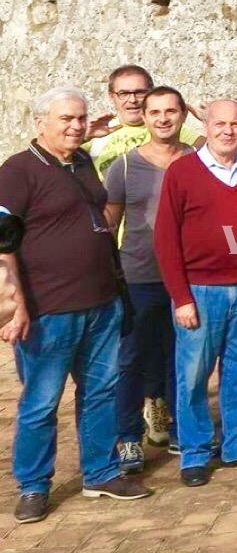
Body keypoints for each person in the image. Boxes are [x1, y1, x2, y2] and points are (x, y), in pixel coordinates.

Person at [0, 88, 152, 524]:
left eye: (81, 118)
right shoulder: (17, 170)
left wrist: (84, 139)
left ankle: (100, 473)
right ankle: (33, 486)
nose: (76, 125)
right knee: (41, 402)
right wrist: (14, 305)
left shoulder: (81, 161)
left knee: (100, 393)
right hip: (49, 311)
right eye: (66, 118)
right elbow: (2, 243)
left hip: (102, 304)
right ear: (39, 123)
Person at [154, 100, 237, 487]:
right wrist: (181, 297)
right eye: (220, 124)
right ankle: (194, 453)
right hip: (200, 292)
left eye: (236, 124)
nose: (228, 131)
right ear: (206, 127)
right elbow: (166, 239)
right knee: (193, 376)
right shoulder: (182, 172)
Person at [104, 86, 194, 472]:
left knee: (183, 358)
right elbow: (109, 226)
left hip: (187, 278)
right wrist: (109, 276)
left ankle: (180, 429)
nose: (163, 119)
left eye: (170, 111)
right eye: (154, 112)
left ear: (182, 115)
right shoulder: (124, 167)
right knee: (130, 359)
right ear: (143, 117)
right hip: (139, 277)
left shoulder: (197, 161)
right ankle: (128, 437)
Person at [84, 64, 201, 177]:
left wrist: (206, 119)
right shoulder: (96, 132)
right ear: (111, 97)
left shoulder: (167, 128)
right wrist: (84, 136)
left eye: (139, 92)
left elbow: (210, 154)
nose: (132, 100)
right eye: (124, 94)